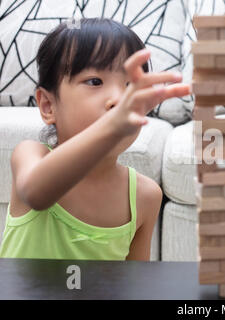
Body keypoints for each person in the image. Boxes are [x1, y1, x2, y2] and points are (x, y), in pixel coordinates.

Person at [0, 18, 190, 260]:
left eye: (130, 86)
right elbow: (36, 194)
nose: (118, 99)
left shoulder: (145, 196)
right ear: (48, 105)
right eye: (95, 82)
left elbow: (134, 286)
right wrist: (111, 125)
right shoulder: (30, 155)